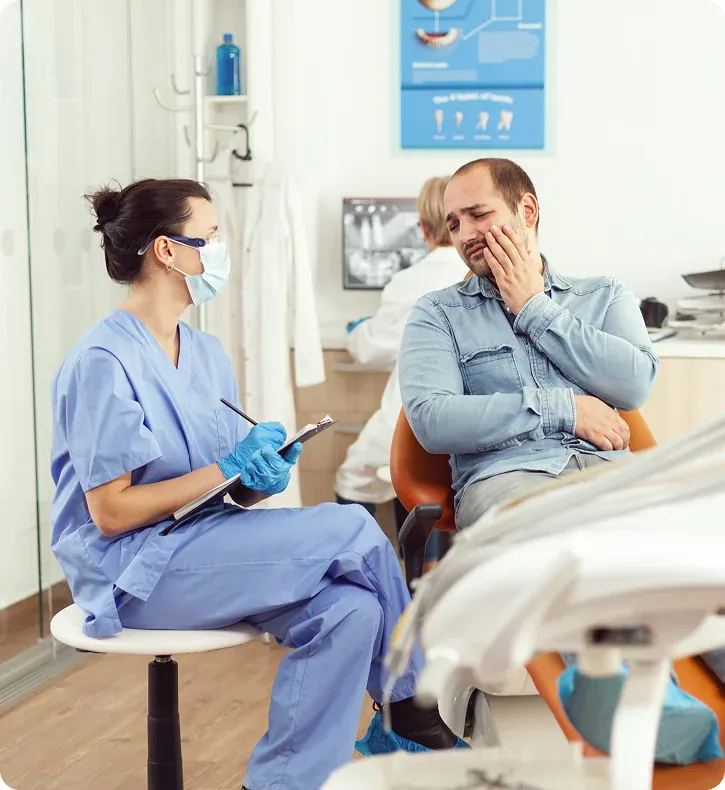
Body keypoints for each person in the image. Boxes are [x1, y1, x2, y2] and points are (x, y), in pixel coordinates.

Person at [49, 179, 467, 790]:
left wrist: (255, 476)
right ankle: (411, 707)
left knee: (348, 611)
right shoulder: (102, 361)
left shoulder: (206, 352)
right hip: (132, 570)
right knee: (352, 525)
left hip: (205, 545)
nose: (219, 251)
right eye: (210, 238)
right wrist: (227, 469)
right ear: (168, 251)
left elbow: (214, 486)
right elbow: (111, 512)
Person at [399, 158, 659, 529]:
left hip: (610, 475)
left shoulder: (605, 295)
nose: (465, 234)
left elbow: (634, 386)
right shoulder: (438, 312)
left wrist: (534, 308)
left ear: (528, 211)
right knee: (553, 535)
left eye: (478, 215)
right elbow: (432, 420)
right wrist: (560, 409)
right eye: (454, 223)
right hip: (507, 480)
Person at [335, 177, 468, 569]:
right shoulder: (485, 276)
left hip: (412, 424)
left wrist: (357, 331)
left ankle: (367, 570)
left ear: (424, 228)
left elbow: (369, 347)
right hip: (469, 430)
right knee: (430, 486)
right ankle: (425, 570)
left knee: (354, 475)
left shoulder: (409, 282)